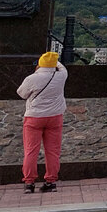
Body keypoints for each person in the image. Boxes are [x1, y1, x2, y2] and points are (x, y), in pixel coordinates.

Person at [17, 51, 68, 193]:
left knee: (31, 151)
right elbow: (62, 67)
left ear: (40, 64)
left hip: (34, 117)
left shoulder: (32, 78)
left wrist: (41, 66)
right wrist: (54, 62)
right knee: (52, 151)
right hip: (55, 117)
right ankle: (51, 182)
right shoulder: (62, 75)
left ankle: (29, 183)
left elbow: (21, 93)